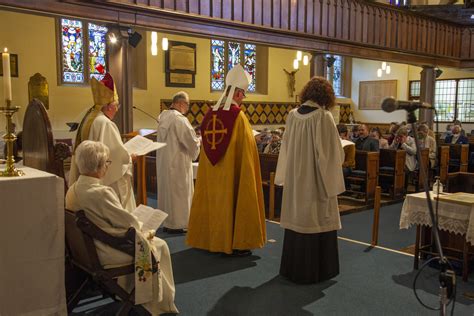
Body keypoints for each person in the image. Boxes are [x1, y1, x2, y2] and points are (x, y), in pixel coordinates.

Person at [65, 141, 178, 315]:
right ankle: (158, 304)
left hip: (85, 253)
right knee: (160, 245)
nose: (108, 167)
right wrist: (143, 226)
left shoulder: (73, 189)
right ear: (99, 166)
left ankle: (131, 293)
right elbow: (129, 223)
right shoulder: (99, 192)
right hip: (105, 253)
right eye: (107, 163)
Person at [187, 64, 266, 256]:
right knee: (235, 197)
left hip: (213, 174)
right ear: (238, 94)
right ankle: (237, 242)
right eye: (243, 95)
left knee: (213, 200)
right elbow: (248, 152)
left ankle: (208, 239)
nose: (242, 99)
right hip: (231, 174)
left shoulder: (208, 116)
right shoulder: (238, 117)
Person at [275, 76, 345, 284]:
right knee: (316, 219)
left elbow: (285, 150)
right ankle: (317, 271)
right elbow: (332, 154)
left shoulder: (292, 115)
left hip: (296, 180)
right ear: (326, 96)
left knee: (298, 220)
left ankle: (292, 269)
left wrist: (286, 176)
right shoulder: (323, 117)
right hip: (315, 182)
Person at [69, 71, 136, 212]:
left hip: (86, 178)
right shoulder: (105, 123)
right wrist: (129, 157)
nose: (117, 110)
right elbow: (115, 156)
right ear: (109, 106)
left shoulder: (88, 118)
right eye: (116, 106)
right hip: (104, 181)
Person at [156, 91, 200, 234]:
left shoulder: (163, 117)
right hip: (178, 164)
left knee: (169, 193)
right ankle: (177, 224)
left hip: (165, 163)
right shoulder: (180, 120)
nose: (187, 108)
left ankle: (168, 222)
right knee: (179, 193)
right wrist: (199, 142)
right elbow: (191, 142)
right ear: (180, 103)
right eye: (187, 104)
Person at [337, 124, 355, 190]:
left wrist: (339, 165)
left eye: (339, 133)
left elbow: (350, 161)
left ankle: (341, 189)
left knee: (340, 171)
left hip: (348, 167)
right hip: (338, 165)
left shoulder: (349, 144)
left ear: (344, 133)